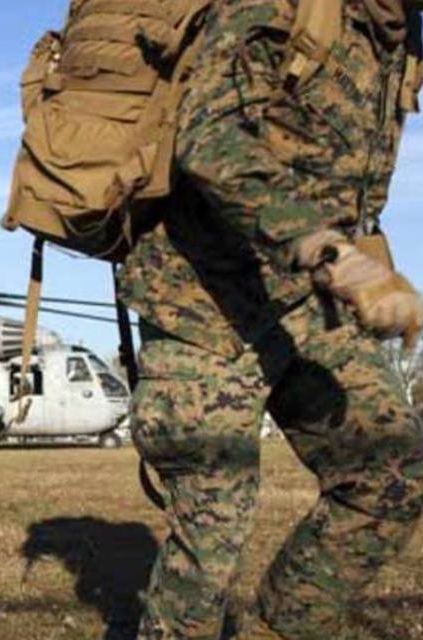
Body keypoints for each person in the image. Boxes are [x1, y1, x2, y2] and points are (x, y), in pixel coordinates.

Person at [118, 1, 423, 637]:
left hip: (307, 308)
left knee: (395, 471)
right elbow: (208, 138)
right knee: (212, 542)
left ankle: (284, 625)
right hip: (203, 303)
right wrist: (329, 250)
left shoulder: (403, 34)